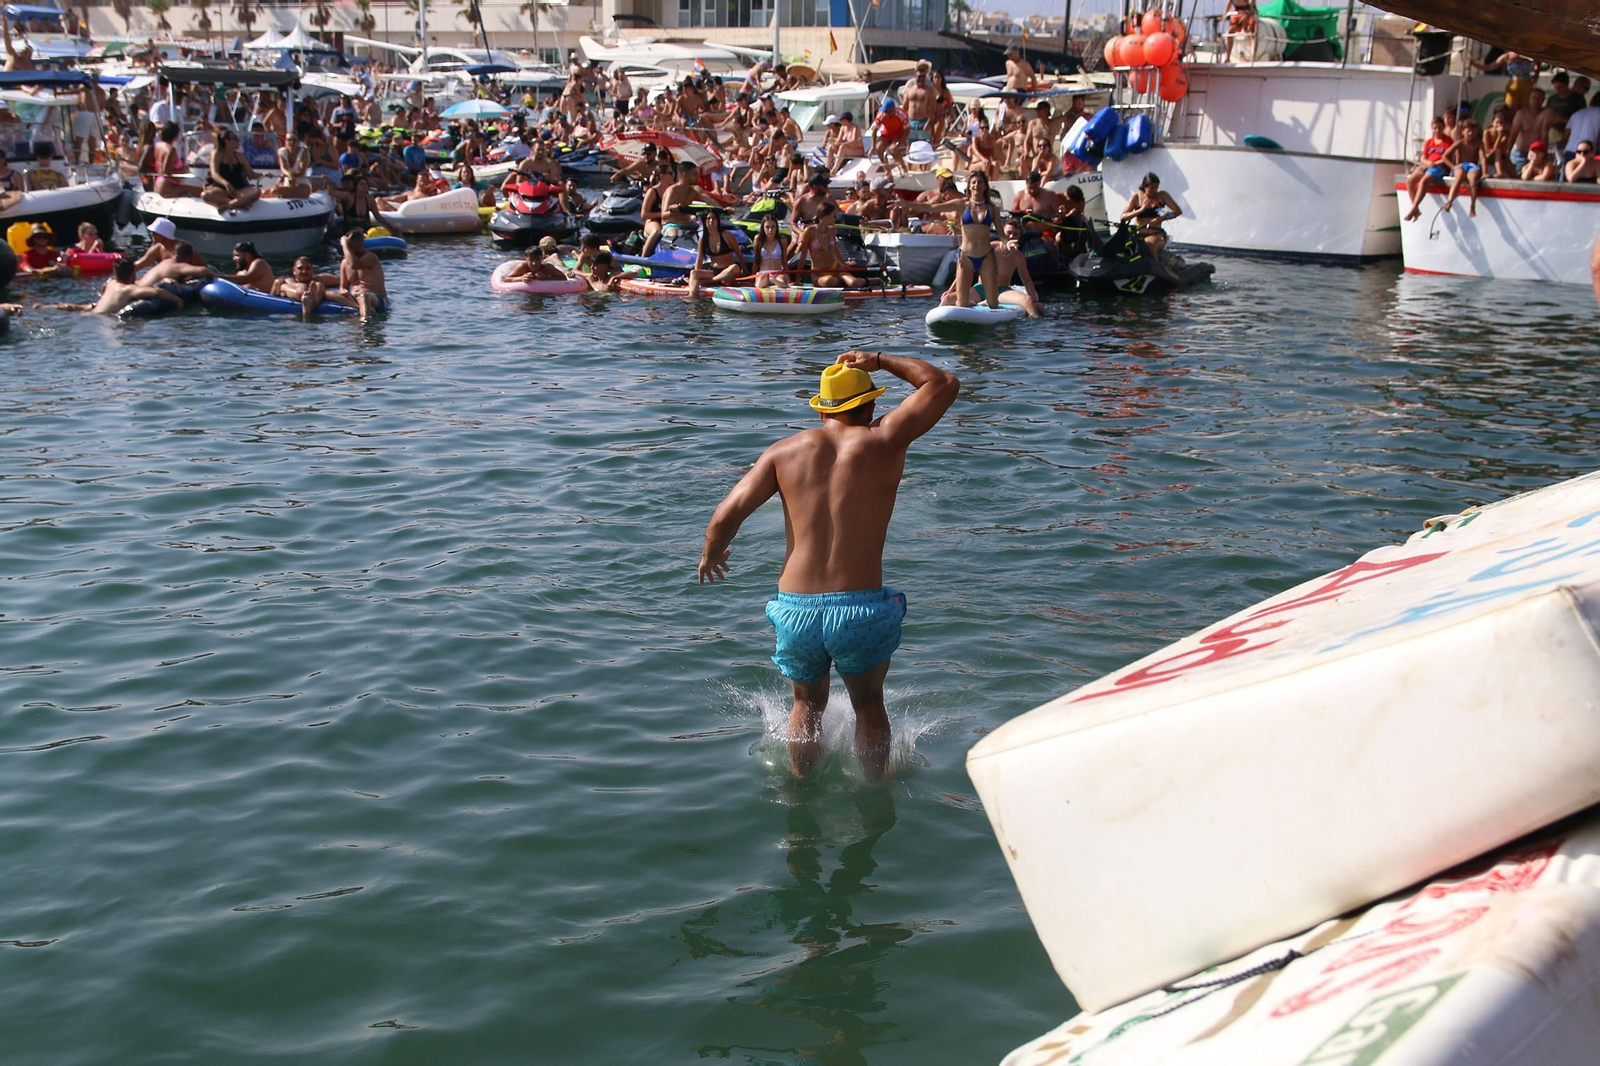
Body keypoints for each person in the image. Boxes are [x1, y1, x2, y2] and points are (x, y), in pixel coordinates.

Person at [697, 349, 960, 781]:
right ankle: (874, 793)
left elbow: (726, 514)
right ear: (871, 405)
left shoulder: (783, 452)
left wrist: (712, 553)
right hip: (861, 610)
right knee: (868, 703)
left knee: (806, 704)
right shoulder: (884, 439)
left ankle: (801, 791)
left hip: (796, 608)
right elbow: (943, 383)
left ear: (822, 412)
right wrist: (877, 359)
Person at [40, 256, 183, 314]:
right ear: (132, 273)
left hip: (93, 311)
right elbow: (157, 293)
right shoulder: (130, 290)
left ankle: (46, 307)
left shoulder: (111, 282)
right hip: (105, 318)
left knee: (80, 307)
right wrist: (177, 300)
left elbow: (106, 288)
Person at [952, 171, 1001, 310]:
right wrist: (906, 204)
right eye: (973, 182)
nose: (976, 185)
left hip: (986, 257)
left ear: (985, 186)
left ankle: (982, 304)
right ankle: (967, 306)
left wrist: (1007, 242)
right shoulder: (961, 205)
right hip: (966, 257)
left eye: (980, 182)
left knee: (993, 303)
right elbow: (930, 207)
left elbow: (1001, 234)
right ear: (969, 186)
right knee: (961, 304)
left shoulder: (992, 209)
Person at [794, 202, 863, 289]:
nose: (836, 218)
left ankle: (872, 280)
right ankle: (844, 283)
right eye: (834, 216)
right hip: (818, 272)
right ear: (825, 216)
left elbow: (835, 249)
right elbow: (803, 256)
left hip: (834, 267)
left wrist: (843, 264)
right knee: (829, 281)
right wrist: (797, 279)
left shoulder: (832, 230)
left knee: (854, 282)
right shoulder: (809, 231)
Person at [1401, 115, 1453, 221]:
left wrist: (1434, 163)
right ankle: (1416, 209)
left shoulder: (1448, 142)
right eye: (1435, 128)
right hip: (1427, 165)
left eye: (1439, 127)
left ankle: (1413, 208)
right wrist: (1427, 163)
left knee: (1424, 181)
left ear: (1443, 128)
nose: (1437, 130)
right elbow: (1423, 157)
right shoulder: (1429, 142)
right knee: (1410, 181)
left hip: (1440, 167)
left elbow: (1446, 158)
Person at [1120, 171, 1182, 256]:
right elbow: (1123, 217)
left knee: (1149, 245)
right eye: (1152, 188)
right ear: (1145, 187)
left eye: (1156, 187)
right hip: (1139, 232)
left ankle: (1156, 266)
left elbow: (1177, 211)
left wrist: (1162, 218)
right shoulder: (1136, 198)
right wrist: (1140, 210)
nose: (1155, 190)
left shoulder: (1162, 195)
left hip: (1156, 233)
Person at [685, 210, 743, 297]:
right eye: (708, 219)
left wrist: (745, 270)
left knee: (734, 267)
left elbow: (739, 253)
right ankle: (691, 296)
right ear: (705, 221)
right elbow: (700, 258)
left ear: (717, 220)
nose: (711, 221)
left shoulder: (727, 235)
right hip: (714, 271)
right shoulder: (703, 239)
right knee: (693, 273)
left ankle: (711, 281)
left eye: (713, 218)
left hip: (728, 271)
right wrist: (698, 273)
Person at [203, 129, 261, 212]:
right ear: (227, 141)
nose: (239, 142)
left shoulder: (240, 156)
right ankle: (240, 203)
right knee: (205, 195)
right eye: (236, 139)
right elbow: (214, 174)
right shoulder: (217, 154)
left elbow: (251, 174)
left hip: (240, 188)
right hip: (223, 189)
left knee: (256, 192)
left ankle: (228, 205)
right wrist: (227, 184)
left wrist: (263, 174)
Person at [272, 256, 345, 319]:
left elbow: (342, 279)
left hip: (314, 296)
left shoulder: (320, 279)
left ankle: (311, 299)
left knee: (318, 284)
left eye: (308, 268)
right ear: (294, 271)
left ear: (312, 270)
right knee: (301, 286)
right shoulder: (288, 281)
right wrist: (281, 292)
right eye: (300, 268)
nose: (304, 271)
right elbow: (271, 296)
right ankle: (306, 297)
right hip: (297, 295)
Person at [338, 229, 387, 320]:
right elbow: (343, 286)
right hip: (353, 297)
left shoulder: (370, 258)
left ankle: (365, 325)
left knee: (364, 296)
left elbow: (354, 265)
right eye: (350, 245)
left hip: (374, 296)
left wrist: (344, 245)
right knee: (327, 293)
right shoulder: (344, 263)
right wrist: (343, 290)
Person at [1442, 118, 1485, 216]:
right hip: (1462, 165)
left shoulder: (1478, 142)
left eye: (1473, 131)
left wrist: (1485, 172)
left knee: (1473, 179)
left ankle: (1473, 205)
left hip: (1472, 166)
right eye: (1468, 131)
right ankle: (1449, 201)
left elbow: (1483, 157)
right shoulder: (1460, 142)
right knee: (1459, 177)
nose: (1470, 133)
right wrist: (1453, 167)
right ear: (1463, 131)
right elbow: (1444, 156)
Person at [750, 214, 790, 289]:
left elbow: (784, 260)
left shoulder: (782, 240)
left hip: (778, 273)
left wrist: (789, 279)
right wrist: (752, 278)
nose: (770, 230)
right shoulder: (758, 239)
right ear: (763, 228)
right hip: (763, 273)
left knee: (782, 282)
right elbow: (756, 260)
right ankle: (769, 281)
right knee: (761, 283)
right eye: (767, 227)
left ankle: (775, 281)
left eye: (773, 227)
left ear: (776, 227)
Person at [504, 241, 570, 283]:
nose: (534, 263)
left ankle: (554, 258)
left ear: (542, 258)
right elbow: (506, 278)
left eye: (537, 259)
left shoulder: (546, 267)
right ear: (526, 259)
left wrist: (547, 278)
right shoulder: (523, 267)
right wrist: (521, 278)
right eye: (531, 260)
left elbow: (563, 278)